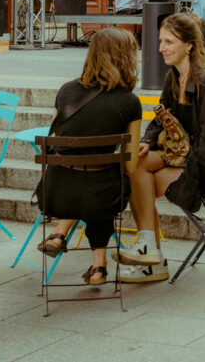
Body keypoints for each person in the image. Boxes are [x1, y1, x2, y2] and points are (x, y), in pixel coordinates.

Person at [115, 13, 205, 280]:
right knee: (132, 162)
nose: (161, 48)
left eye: (168, 42)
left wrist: (188, 182)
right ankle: (149, 249)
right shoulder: (174, 76)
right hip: (185, 153)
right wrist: (147, 141)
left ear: (189, 45)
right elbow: (161, 116)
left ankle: (153, 260)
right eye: (161, 41)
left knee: (144, 180)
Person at [35, 29, 142, 286]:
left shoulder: (66, 91)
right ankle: (98, 267)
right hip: (102, 197)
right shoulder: (130, 102)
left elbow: (53, 144)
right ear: (125, 58)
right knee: (103, 180)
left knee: (88, 179)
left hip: (55, 194)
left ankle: (67, 239)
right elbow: (131, 165)